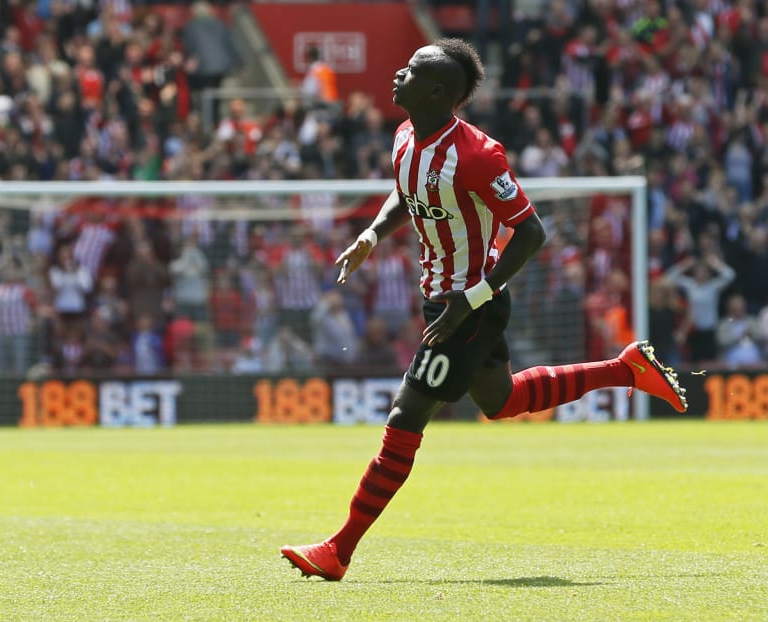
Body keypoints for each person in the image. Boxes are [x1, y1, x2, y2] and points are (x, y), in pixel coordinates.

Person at [281, 38, 688, 582]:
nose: (399, 71)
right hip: (444, 300)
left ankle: (339, 550)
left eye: (413, 68)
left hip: (470, 304)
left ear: (439, 92)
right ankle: (626, 369)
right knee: (501, 400)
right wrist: (373, 235)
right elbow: (409, 193)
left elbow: (531, 232)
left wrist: (473, 298)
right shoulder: (406, 136)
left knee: (405, 419)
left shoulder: (477, 155)